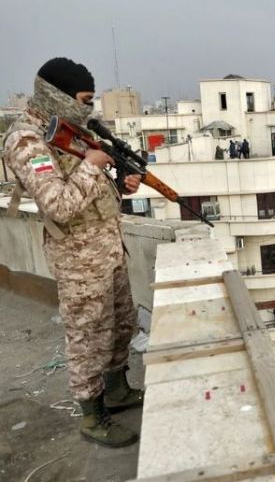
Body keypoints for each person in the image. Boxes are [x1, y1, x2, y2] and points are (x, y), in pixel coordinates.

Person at [3, 58, 143, 448]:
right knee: (88, 338)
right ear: (57, 94)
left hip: (109, 247)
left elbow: (92, 189)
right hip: (78, 258)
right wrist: (92, 167)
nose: (88, 108)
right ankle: (92, 416)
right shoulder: (27, 139)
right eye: (83, 99)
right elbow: (58, 205)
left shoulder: (70, 130)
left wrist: (121, 184)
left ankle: (116, 392)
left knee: (120, 324)